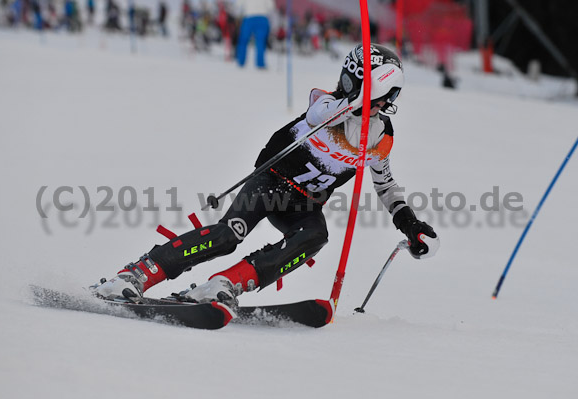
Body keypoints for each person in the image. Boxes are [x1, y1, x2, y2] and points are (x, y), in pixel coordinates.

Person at [92, 44, 440, 307]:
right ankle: (137, 274)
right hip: (271, 183)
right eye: (385, 95)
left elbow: (385, 184)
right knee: (229, 236)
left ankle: (225, 285)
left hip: (302, 204)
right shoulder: (325, 104)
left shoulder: (380, 136)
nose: (387, 103)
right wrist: (358, 98)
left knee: (315, 235)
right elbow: (330, 114)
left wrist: (410, 224)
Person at [234, 0, 275, 68]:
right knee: (260, 41)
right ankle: (260, 63)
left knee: (243, 40)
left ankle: (241, 62)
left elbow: (238, 6)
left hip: (249, 17)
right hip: (262, 17)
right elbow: (271, 7)